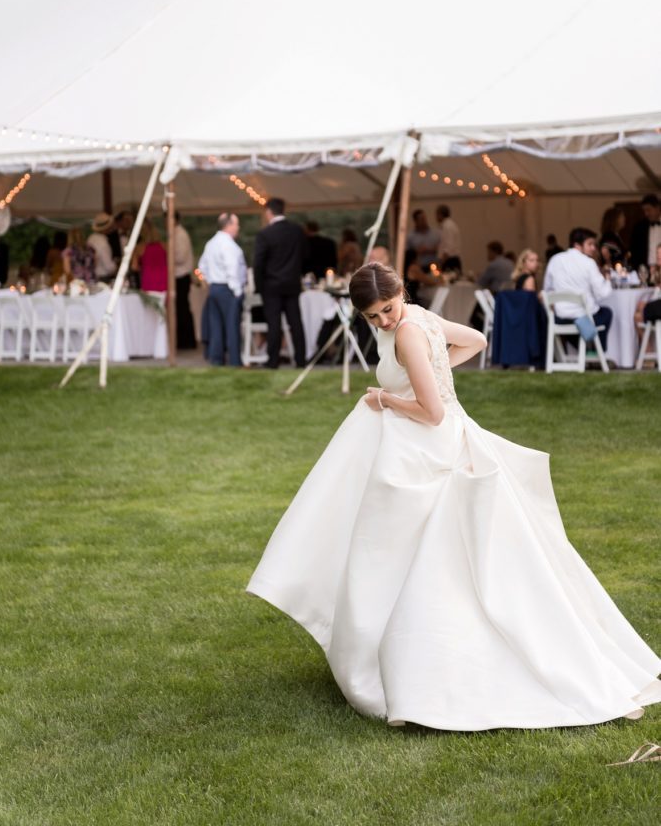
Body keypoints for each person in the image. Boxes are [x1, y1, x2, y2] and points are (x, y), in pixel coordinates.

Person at [247, 263, 660, 730]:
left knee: (414, 553)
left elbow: (432, 412)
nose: (383, 320)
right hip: (450, 436)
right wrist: (433, 371)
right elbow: (474, 342)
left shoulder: (407, 333)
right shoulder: (421, 316)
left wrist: (385, 397)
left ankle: (427, 670)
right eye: (372, 317)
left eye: (387, 309)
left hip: (431, 445)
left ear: (400, 292)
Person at [253, 198, 306, 369]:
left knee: (273, 324)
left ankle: (273, 361)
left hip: (271, 287)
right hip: (292, 284)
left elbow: (258, 264)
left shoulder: (265, 234)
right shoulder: (297, 231)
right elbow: (306, 256)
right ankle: (300, 360)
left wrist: (259, 287)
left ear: (269, 212)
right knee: (295, 323)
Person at [543, 227, 613, 350]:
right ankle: (597, 352)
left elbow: (547, 289)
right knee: (606, 313)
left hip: (560, 318)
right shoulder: (588, 263)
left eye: (594, 245)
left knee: (592, 314)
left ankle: (585, 351)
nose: (593, 248)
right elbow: (603, 293)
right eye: (590, 244)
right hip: (584, 317)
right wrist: (607, 278)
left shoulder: (555, 260)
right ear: (577, 245)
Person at [199, 213, 248, 366]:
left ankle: (216, 359)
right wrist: (237, 290)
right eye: (236, 224)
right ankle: (234, 361)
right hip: (228, 289)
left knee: (216, 326)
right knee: (232, 326)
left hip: (214, 288)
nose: (238, 227)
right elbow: (232, 269)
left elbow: (202, 266)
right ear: (229, 225)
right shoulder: (228, 245)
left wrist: (210, 280)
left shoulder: (211, 243)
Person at [173, 212, 196, 349]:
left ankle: (187, 341)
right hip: (178, 275)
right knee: (180, 309)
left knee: (183, 309)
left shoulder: (180, 234)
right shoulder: (176, 233)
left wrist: (167, 254)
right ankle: (183, 340)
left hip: (181, 275)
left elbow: (180, 256)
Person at [132, 220, 167, 292]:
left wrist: (143, 267)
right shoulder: (165, 246)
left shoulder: (139, 247)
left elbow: (134, 267)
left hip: (148, 279)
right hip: (164, 279)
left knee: (149, 302)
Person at [630, 194, 661, 272]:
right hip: (645, 271)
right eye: (644, 211)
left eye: (648, 210)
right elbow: (634, 250)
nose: (646, 214)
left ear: (657, 208)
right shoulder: (639, 228)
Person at [87, 213, 117, 283]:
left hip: (92, 275)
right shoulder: (103, 243)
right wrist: (116, 266)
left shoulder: (91, 238)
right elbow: (109, 266)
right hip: (103, 277)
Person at [435, 204, 462, 272]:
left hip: (449, 262)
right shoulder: (449, 225)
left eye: (437, 214)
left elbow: (448, 248)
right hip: (450, 260)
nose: (436, 217)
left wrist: (441, 263)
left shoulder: (447, 226)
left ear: (440, 214)